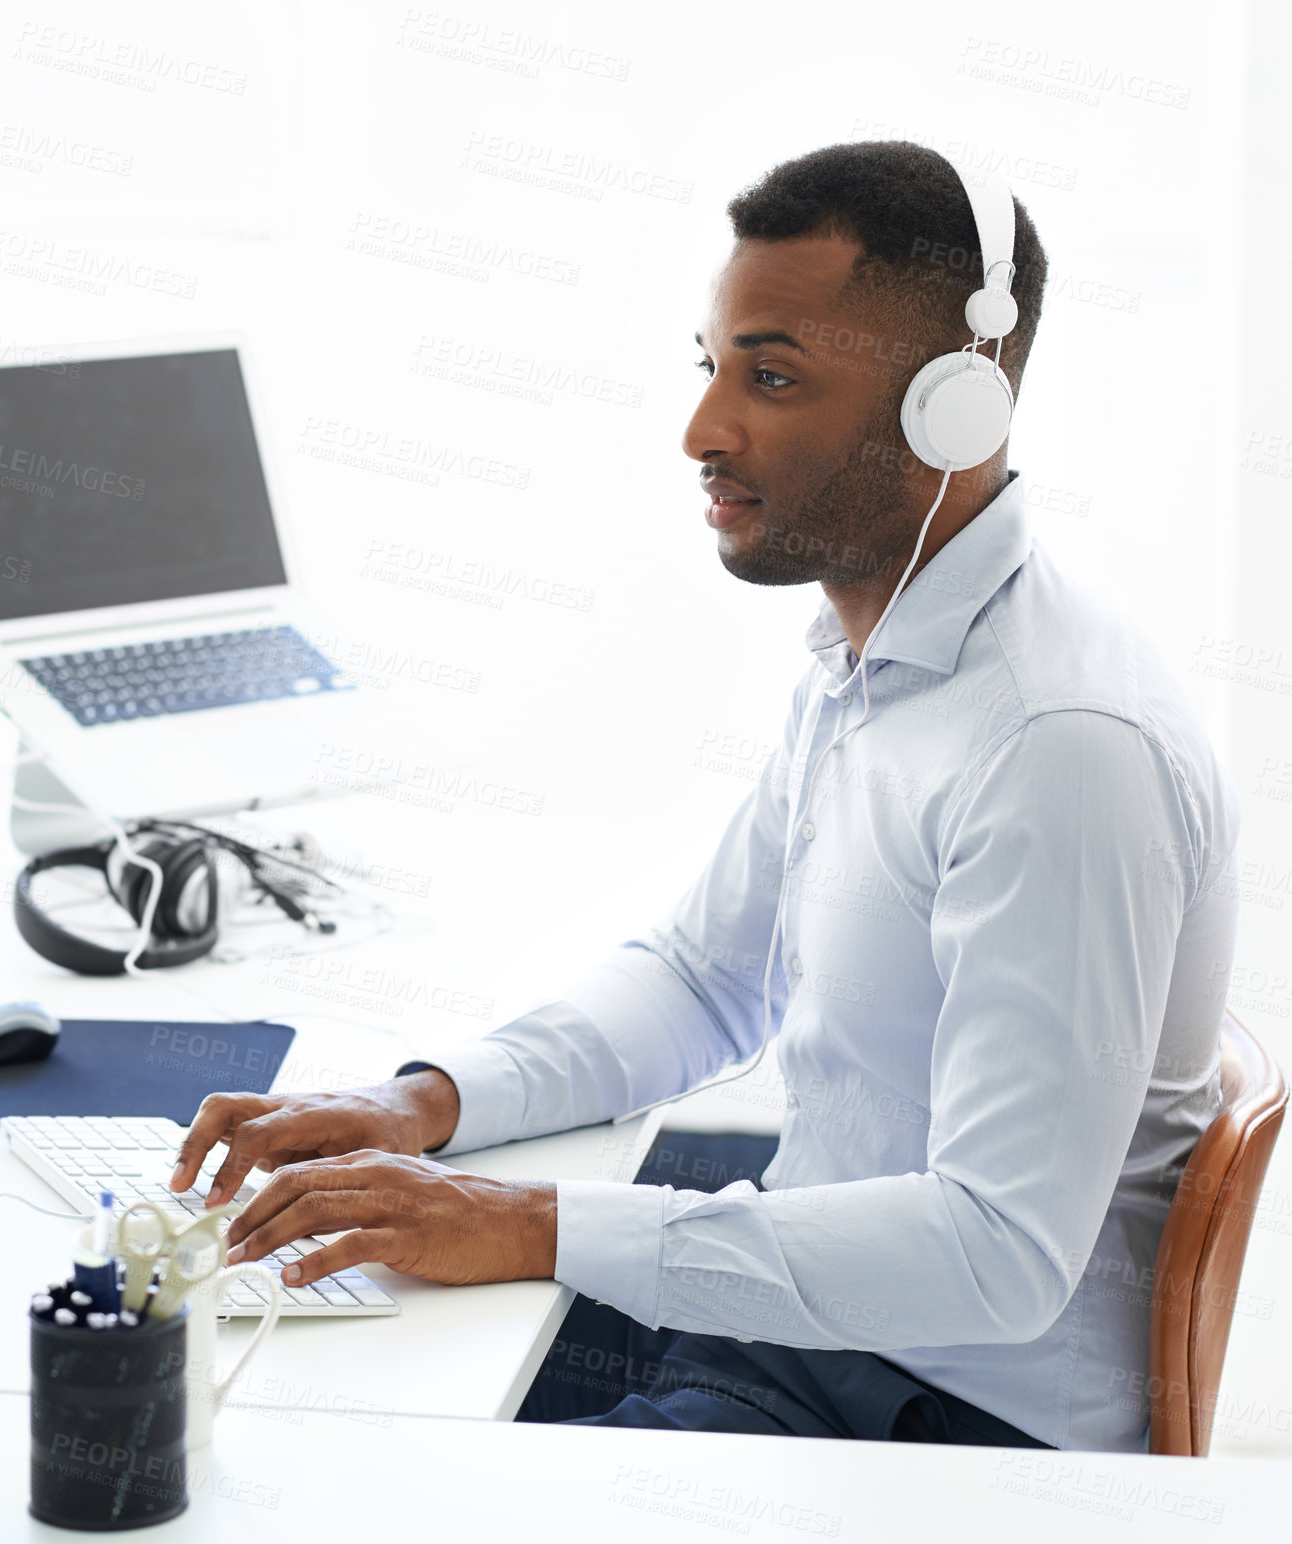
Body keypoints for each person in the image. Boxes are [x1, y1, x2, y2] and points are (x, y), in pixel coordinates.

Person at [170, 141, 1240, 1452]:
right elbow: (703, 977)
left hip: (932, 1412)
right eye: (711, 364)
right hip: (822, 1320)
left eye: (771, 376)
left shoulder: (1056, 747)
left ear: (949, 410)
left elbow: (996, 1253)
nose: (702, 431)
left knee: (335, 1447)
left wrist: (522, 1224)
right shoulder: (878, 663)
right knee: (290, 1357)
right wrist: (426, 1104)